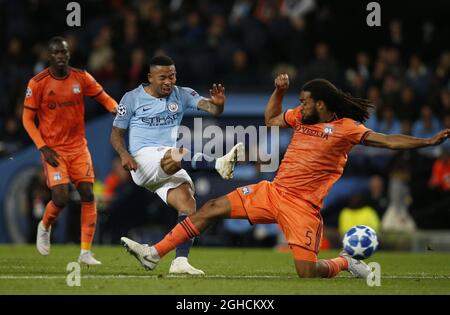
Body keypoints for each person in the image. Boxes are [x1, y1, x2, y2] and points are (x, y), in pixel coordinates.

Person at [120, 74, 449, 278]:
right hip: (274, 192)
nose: (300, 105)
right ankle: (155, 253)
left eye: (305, 101)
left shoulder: (346, 128)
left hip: (303, 208)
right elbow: (271, 119)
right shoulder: (298, 118)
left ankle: (346, 263)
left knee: (307, 272)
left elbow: (388, 140)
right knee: (211, 208)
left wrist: (427, 141)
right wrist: (279, 91)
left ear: (321, 103)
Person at [110, 55, 243, 275]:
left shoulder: (182, 94)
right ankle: (219, 164)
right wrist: (124, 154)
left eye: (172, 76)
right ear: (150, 77)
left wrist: (218, 106)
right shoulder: (131, 98)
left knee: (188, 204)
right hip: (142, 161)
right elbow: (116, 134)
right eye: (162, 77)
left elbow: (211, 109)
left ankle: (179, 261)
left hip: (165, 164)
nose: (168, 82)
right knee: (176, 153)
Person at [22, 36, 118, 265]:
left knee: (87, 193)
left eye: (64, 53)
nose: (60, 57)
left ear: (69, 55)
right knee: (61, 197)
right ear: (49, 56)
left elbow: (104, 97)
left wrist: (117, 109)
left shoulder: (81, 77)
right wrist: (42, 147)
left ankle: (85, 252)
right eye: (56, 53)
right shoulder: (38, 83)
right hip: (54, 150)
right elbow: (27, 119)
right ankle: (44, 226)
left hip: (78, 148)